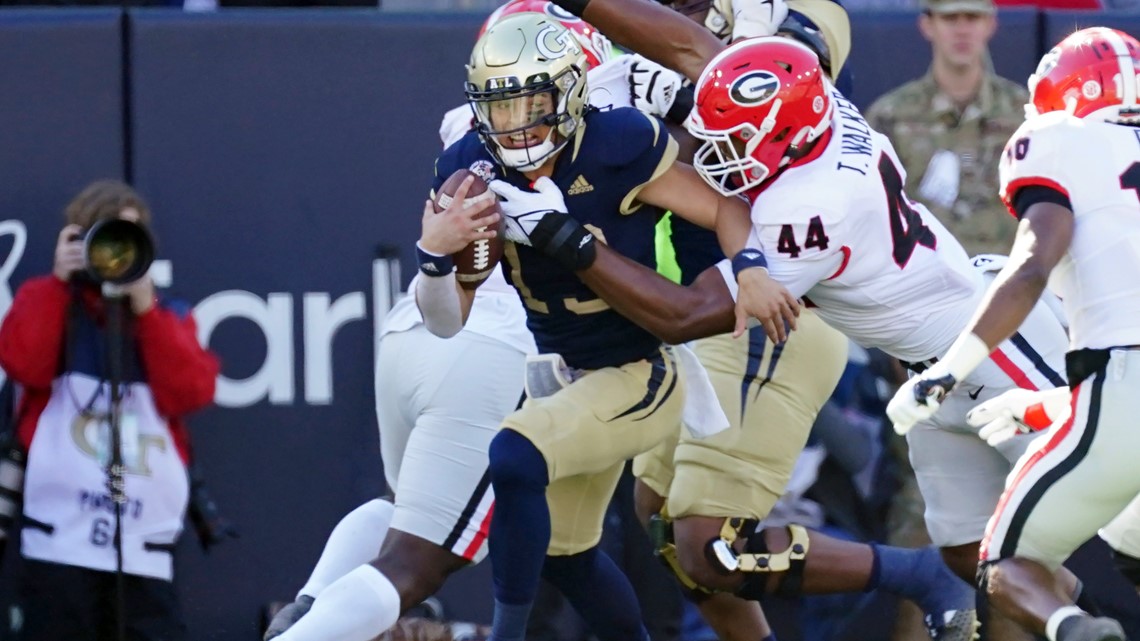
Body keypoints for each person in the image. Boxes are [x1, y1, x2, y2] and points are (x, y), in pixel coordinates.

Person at [886, 26, 1140, 641]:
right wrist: (1048, 402)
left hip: (1120, 383)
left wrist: (950, 367)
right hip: (1109, 384)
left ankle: (1075, 630)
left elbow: (1030, 267)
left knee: (1002, 565)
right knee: (1134, 553)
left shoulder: (1060, 139)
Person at [0, 179, 220, 641]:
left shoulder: (167, 315)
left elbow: (192, 393)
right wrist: (58, 283)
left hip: (144, 548)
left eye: (128, 241)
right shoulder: (46, 301)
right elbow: (25, 364)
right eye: (104, 239)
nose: (114, 255)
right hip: (58, 543)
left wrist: (146, 308)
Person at [865, 0, 1026, 257]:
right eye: (950, 19)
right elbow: (869, 208)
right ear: (928, 25)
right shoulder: (890, 115)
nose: (962, 30)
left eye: (972, 17)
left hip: (1005, 275)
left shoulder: (1024, 113)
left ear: (990, 24)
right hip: (924, 275)